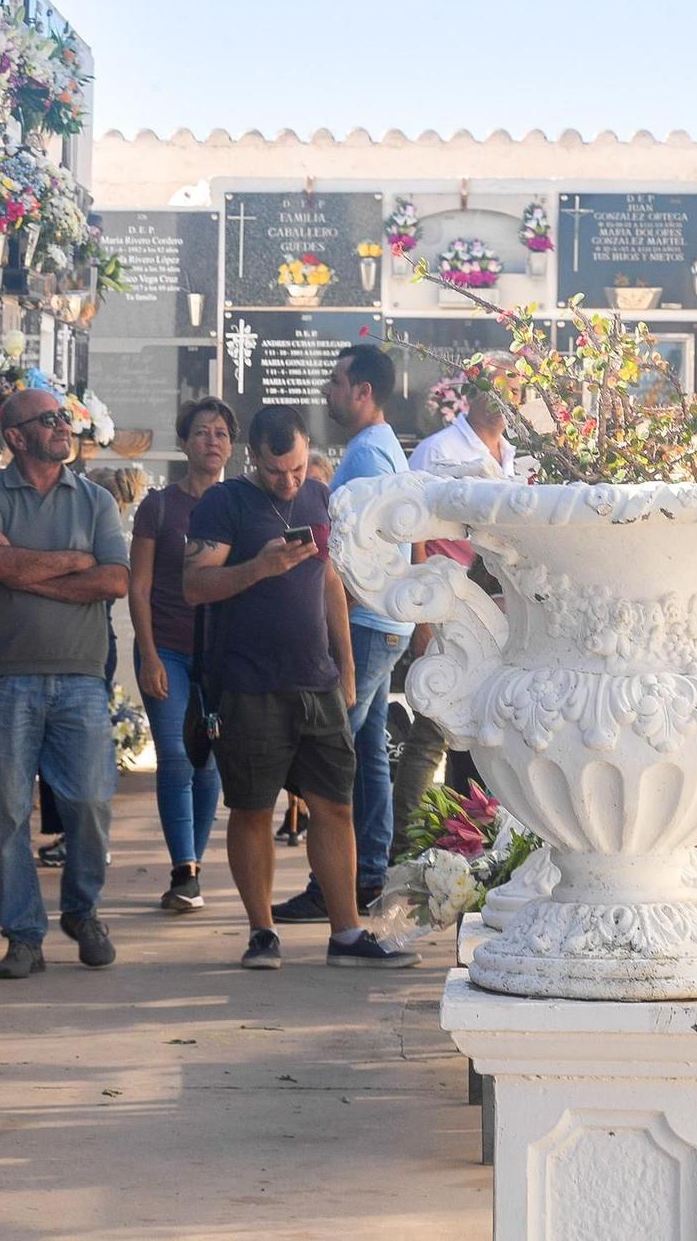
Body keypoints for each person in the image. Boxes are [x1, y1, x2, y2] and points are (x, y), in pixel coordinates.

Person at [183, 403, 416, 970]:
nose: (286, 482)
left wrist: (348, 667)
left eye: (295, 468)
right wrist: (256, 569)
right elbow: (193, 585)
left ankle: (347, 934)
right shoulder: (225, 503)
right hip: (248, 684)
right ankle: (262, 932)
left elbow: (330, 580)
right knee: (253, 808)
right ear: (252, 458)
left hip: (318, 682)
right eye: (273, 472)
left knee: (335, 805)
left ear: (309, 451)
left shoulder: (318, 497)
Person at [0, 387, 130, 979]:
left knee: (89, 802)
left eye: (65, 417)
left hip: (80, 679)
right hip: (7, 679)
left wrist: (32, 572)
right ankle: (23, 937)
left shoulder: (95, 502)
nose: (63, 426)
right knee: (7, 813)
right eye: (49, 419)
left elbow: (113, 580)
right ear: (15, 436)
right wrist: (72, 560)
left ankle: (82, 912)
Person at [274, 344, 423, 923]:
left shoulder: (365, 457)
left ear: (363, 391)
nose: (328, 392)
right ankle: (367, 874)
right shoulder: (382, 448)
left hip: (364, 621)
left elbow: (359, 552)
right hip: (385, 618)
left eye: (337, 382)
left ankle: (330, 884)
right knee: (367, 754)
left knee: (330, 757)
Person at [391, 391, 516, 860]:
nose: (510, 396)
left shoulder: (515, 452)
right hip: (449, 600)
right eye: (499, 385)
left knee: (479, 737)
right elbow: (415, 531)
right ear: (473, 393)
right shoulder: (439, 450)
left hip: (497, 604)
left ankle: (468, 845)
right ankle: (407, 847)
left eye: (517, 386)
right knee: (430, 730)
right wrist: (424, 615)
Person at [130, 397, 233, 911]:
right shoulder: (160, 507)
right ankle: (183, 870)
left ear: (231, 447)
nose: (211, 441)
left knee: (207, 759)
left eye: (219, 433)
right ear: (185, 442)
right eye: (201, 432)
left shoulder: (238, 503)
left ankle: (196, 860)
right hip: (166, 648)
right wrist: (148, 655)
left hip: (219, 657)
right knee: (174, 755)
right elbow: (139, 587)